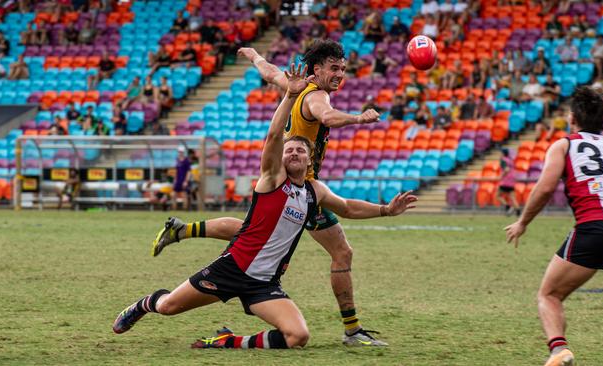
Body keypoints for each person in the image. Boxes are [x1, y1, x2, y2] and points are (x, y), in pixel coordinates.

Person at [113, 65, 417, 349]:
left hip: (264, 284)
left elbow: (348, 207)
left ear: (310, 159)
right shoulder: (272, 180)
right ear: (281, 158)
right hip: (231, 269)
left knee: (298, 336)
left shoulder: (314, 190)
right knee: (167, 307)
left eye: (301, 149)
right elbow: (274, 136)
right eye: (289, 150)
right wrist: (288, 95)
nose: (294, 152)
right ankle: (142, 305)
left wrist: (386, 210)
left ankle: (227, 341)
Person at [505, 87, 603, 366]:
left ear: (572, 118)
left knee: (549, 294)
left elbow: (546, 187)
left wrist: (523, 222)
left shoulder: (564, 144)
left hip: (596, 225)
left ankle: (559, 350)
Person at [497, 148, 520, 216]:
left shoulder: (503, 160)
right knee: (513, 197)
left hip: (505, 181)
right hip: (512, 180)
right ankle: (518, 212)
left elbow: (506, 170)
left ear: (503, 153)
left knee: (498, 195)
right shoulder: (511, 160)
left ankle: (507, 206)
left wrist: (501, 176)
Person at [171, 146, 191, 211]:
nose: (180, 153)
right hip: (178, 180)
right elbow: (176, 171)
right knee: (173, 195)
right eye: (179, 152)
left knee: (184, 195)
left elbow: (188, 172)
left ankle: (185, 210)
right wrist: (175, 180)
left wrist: (186, 181)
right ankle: (174, 209)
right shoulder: (177, 160)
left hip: (183, 180)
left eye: (181, 152)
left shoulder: (186, 161)